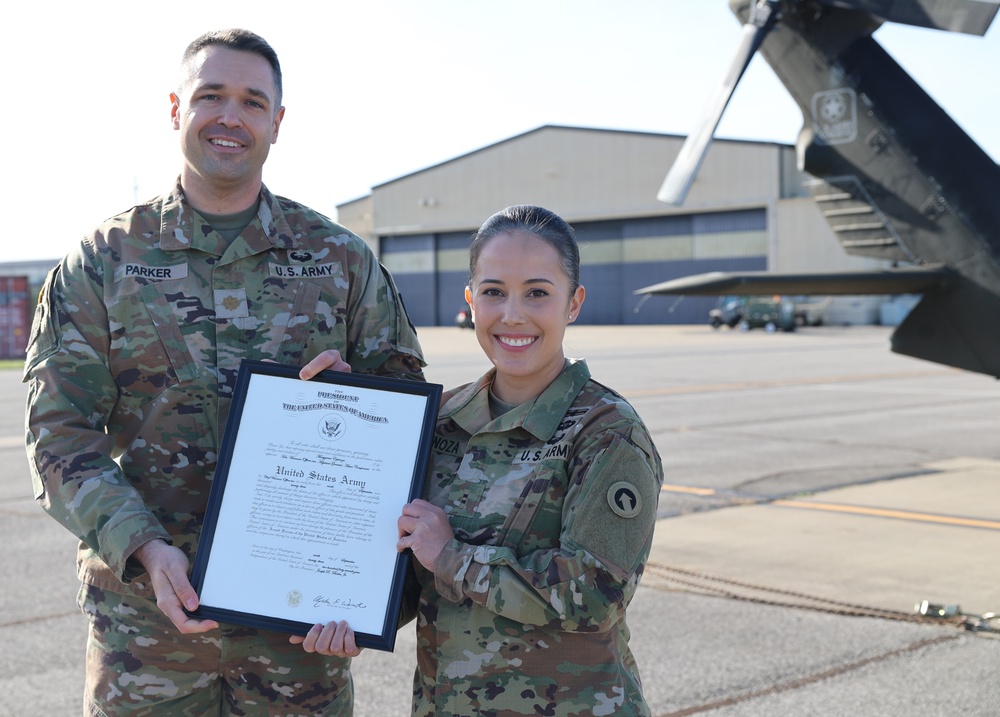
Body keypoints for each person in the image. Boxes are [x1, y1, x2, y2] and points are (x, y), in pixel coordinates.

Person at [23, 28, 424, 716]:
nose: (231, 117)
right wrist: (144, 545)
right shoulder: (102, 262)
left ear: (277, 122)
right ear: (177, 108)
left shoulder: (340, 261)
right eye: (211, 96)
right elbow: (60, 436)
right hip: (147, 634)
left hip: (299, 639)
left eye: (252, 101)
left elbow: (411, 434)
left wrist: (358, 400)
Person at [397, 205, 663, 716]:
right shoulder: (441, 420)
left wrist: (453, 556)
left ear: (573, 303)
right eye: (494, 292)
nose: (512, 314)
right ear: (471, 300)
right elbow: (410, 568)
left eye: (537, 293)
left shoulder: (607, 433)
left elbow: (592, 594)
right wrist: (341, 610)